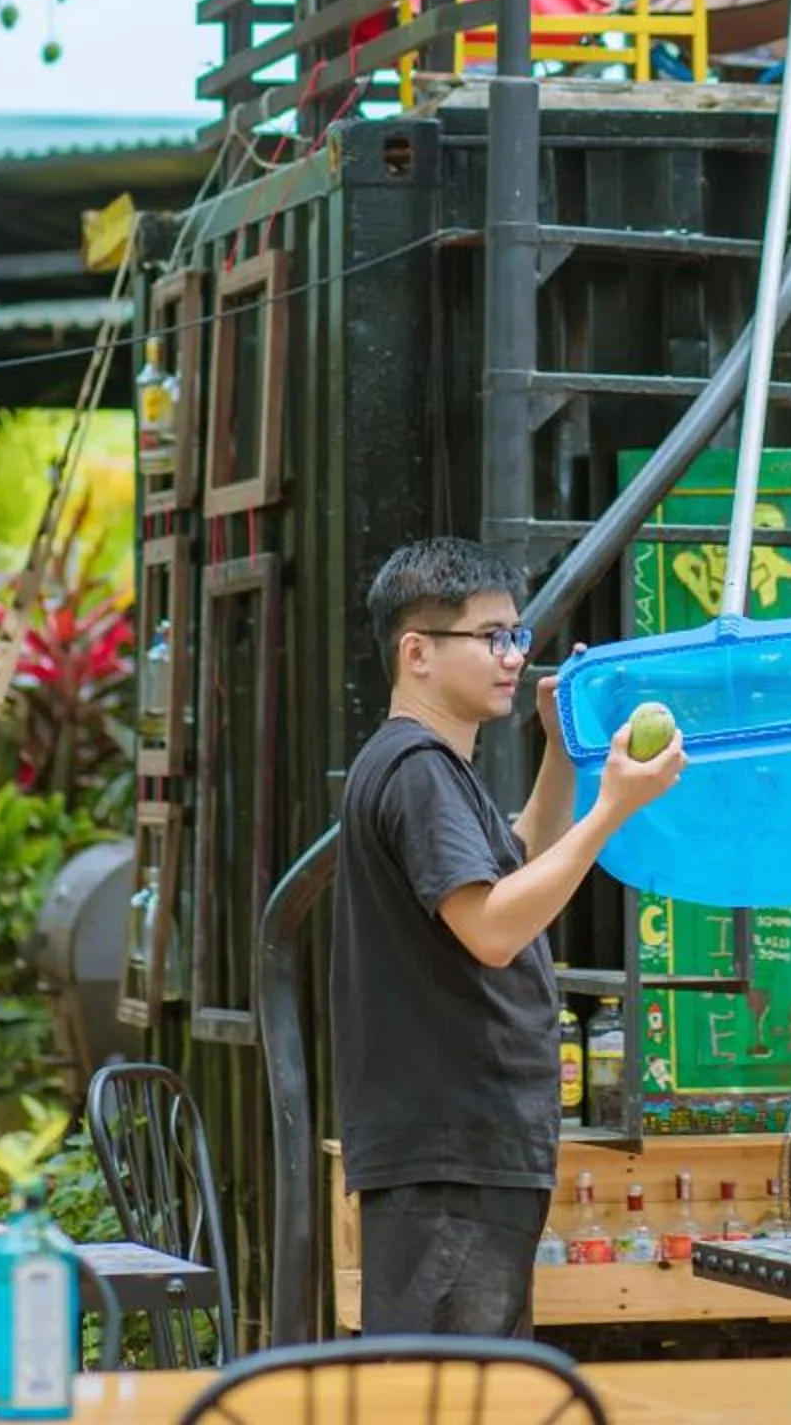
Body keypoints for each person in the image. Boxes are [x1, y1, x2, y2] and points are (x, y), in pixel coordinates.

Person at [331, 535, 683, 1338]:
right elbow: (492, 930)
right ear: (416, 652)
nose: (513, 656)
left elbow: (519, 861)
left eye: (518, 636)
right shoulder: (416, 766)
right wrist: (614, 809)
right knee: (455, 1395)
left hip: (459, 1142)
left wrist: (562, 749)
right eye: (491, 637)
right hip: (448, 1144)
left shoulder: (432, 766)